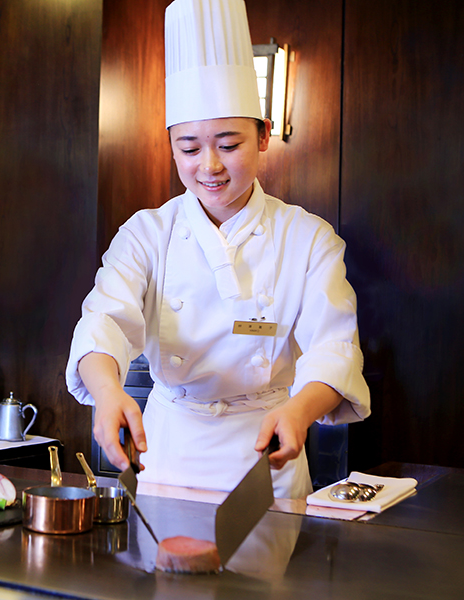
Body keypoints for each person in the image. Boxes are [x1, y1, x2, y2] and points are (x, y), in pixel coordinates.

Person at [65, 0, 370, 499]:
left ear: (264, 135)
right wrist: (106, 392)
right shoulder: (147, 234)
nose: (209, 165)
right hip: (168, 456)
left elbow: (333, 350)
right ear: (171, 146)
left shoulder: (308, 238)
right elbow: (103, 323)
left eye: (228, 144)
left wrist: (298, 411)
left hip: (267, 457)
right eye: (188, 148)